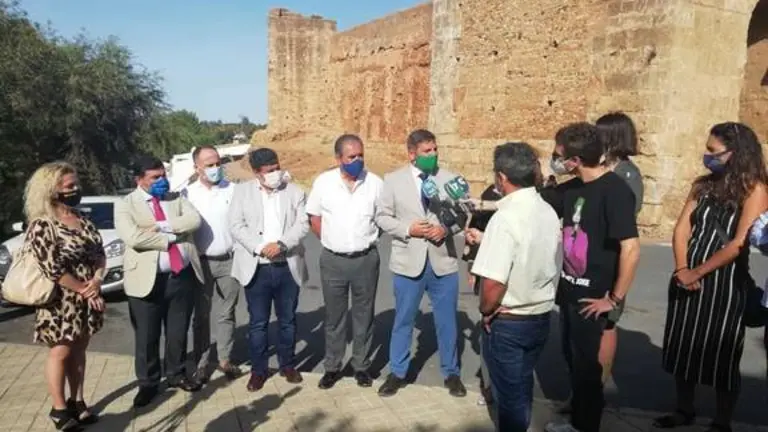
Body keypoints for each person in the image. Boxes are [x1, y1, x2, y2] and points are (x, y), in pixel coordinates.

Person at [654, 122, 768, 432]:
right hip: (686, 275)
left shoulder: (754, 190)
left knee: (722, 354)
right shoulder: (702, 185)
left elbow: (738, 243)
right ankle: (684, 409)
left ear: (736, 152)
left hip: (725, 282)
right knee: (682, 345)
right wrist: (682, 269)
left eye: (713, 151)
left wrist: (698, 271)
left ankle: (722, 421)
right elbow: (682, 228)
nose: (708, 157)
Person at [544, 123, 641, 432]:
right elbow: (538, 203)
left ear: (574, 160)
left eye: (558, 155)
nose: (555, 160)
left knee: (587, 367)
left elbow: (630, 249)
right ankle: (577, 420)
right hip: (570, 290)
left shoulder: (615, 191)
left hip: (593, 296)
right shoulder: (572, 187)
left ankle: (586, 426)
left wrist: (614, 299)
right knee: (572, 359)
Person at [467, 142, 562, 432]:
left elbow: (494, 283)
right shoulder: (546, 210)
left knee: (510, 398)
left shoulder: (505, 219)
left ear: (502, 177)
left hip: (509, 320)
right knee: (521, 388)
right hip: (540, 315)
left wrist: (487, 310)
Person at [375, 129, 467, 398]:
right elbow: (382, 217)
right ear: (412, 154)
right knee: (403, 319)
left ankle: (451, 373)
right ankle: (397, 372)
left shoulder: (450, 179)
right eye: (427, 151)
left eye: (435, 149)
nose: (433, 155)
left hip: (442, 261)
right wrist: (408, 229)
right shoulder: (393, 180)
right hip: (408, 262)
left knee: (447, 322)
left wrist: (446, 230)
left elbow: (463, 215)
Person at [22, 162, 105, 430]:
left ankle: (77, 401)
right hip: (60, 301)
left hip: (86, 296)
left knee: (79, 350)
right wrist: (82, 289)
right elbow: (52, 269)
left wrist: (96, 281)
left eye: (76, 184)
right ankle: (59, 409)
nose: (75, 189)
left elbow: (100, 254)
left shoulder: (82, 219)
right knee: (60, 351)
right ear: (51, 189)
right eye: (69, 186)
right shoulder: (42, 225)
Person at [115, 155, 203, 408]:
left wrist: (161, 226)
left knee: (177, 331)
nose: (162, 180)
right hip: (146, 280)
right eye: (155, 177)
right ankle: (148, 383)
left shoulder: (175, 198)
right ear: (139, 179)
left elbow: (194, 220)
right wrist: (172, 237)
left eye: (163, 175)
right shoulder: (125, 205)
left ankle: (176, 373)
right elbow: (134, 238)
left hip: (180, 276)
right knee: (147, 336)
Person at [306, 134, 383, 389]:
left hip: (365, 259)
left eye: (361, 155)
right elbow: (314, 218)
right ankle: (332, 366)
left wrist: (366, 240)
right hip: (333, 261)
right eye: (352, 157)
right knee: (334, 317)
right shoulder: (324, 183)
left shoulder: (375, 183)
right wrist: (332, 241)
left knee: (364, 316)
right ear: (338, 158)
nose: (358, 160)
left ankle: (361, 366)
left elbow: (382, 220)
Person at [228, 148, 309, 392]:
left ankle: (288, 365)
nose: (275, 174)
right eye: (269, 171)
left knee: (288, 321)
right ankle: (258, 371)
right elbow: (236, 225)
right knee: (258, 323)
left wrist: (281, 244)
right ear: (256, 173)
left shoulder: (294, 192)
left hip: (287, 264)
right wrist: (260, 247)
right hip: (257, 267)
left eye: (277, 168)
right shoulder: (242, 192)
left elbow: (302, 224)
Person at [182, 145, 243, 383]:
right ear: (197, 167)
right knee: (201, 315)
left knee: (227, 313)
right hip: (201, 263)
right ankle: (201, 363)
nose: (215, 168)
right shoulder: (187, 194)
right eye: (209, 164)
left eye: (218, 163)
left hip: (230, 260)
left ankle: (225, 359)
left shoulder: (234, 190)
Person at [462, 184, 501, 406]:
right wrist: (471, 266)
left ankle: (503, 390)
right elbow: (473, 229)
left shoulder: (532, 200)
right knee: (488, 332)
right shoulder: (490, 193)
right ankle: (488, 386)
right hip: (487, 274)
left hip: (514, 281)